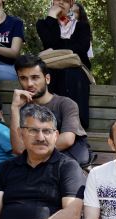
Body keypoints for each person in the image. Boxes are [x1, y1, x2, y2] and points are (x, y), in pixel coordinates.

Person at [9, 54, 92, 168]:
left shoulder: (66, 104)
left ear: (47, 79)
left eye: (35, 77)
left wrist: (33, 153)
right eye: (23, 78)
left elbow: (67, 140)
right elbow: (18, 148)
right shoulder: (21, 108)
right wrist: (15, 108)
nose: (29, 84)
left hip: (67, 164)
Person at [36, 0, 93, 128]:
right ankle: (48, 122)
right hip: (52, 68)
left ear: (71, 5)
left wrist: (58, 48)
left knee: (72, 75)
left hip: (76, 69)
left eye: (66, 0)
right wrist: (51, 17)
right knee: (48, 76)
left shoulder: (82, 26)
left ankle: (76, 125)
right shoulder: (43, 24)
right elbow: (50, 42)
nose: (61, 2)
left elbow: (81, 48)